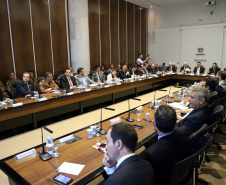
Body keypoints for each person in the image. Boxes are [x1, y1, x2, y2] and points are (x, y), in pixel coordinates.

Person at [140, 105, 188, 185]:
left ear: (154, 124)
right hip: (181, 176)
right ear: (176, 124)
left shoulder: (150, 154)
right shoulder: (186, 133)